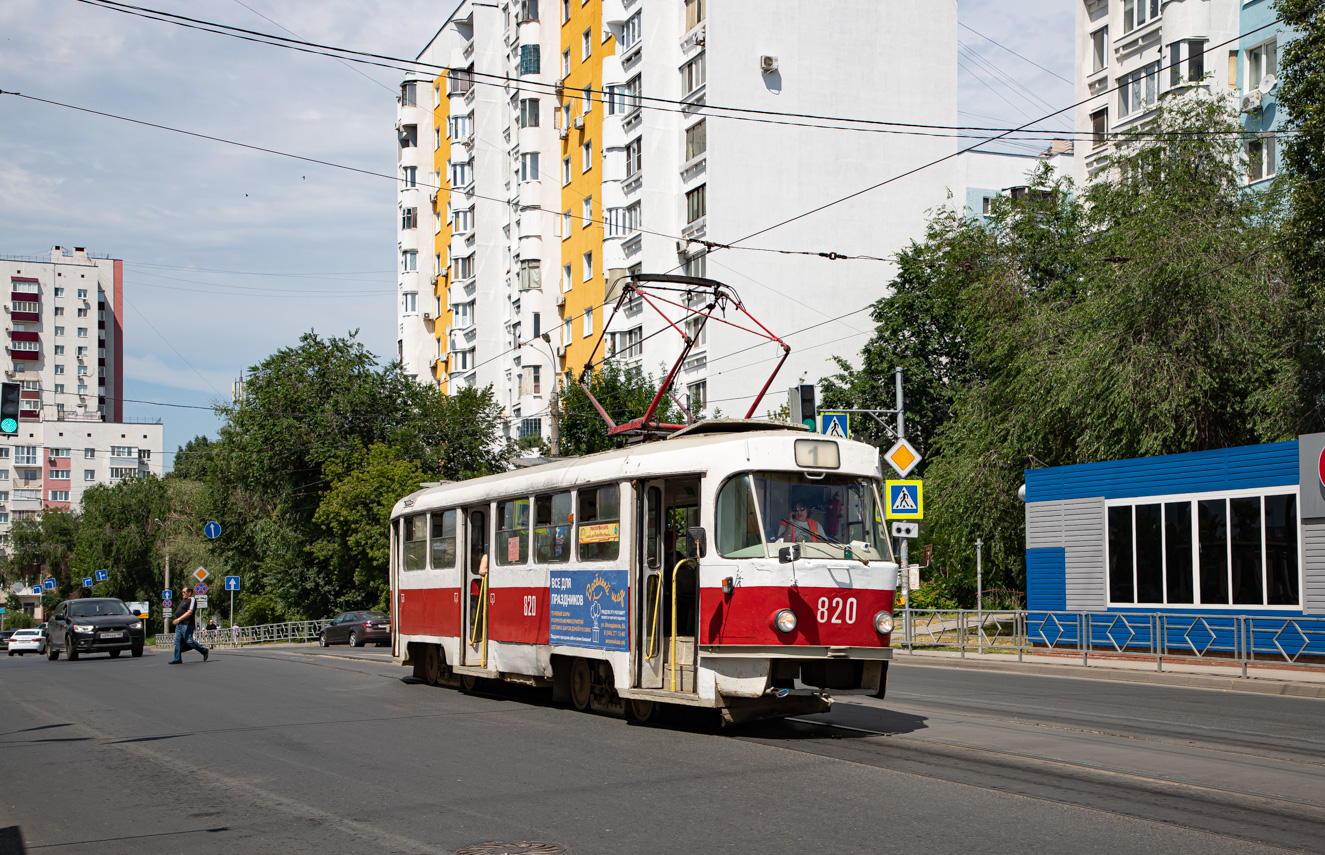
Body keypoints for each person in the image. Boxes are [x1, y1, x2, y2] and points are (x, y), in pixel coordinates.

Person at [170, 585, 210, 664]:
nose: (183, 594)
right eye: (182, 592)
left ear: (189, 592)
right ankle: (177, 659)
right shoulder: (183, 600)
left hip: (187, 624)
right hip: (179, 625)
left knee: (189, 641)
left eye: (184, 592)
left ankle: (204, 650)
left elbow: (190, 612)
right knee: (177, 641)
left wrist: (179, 619)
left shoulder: (192, 600)